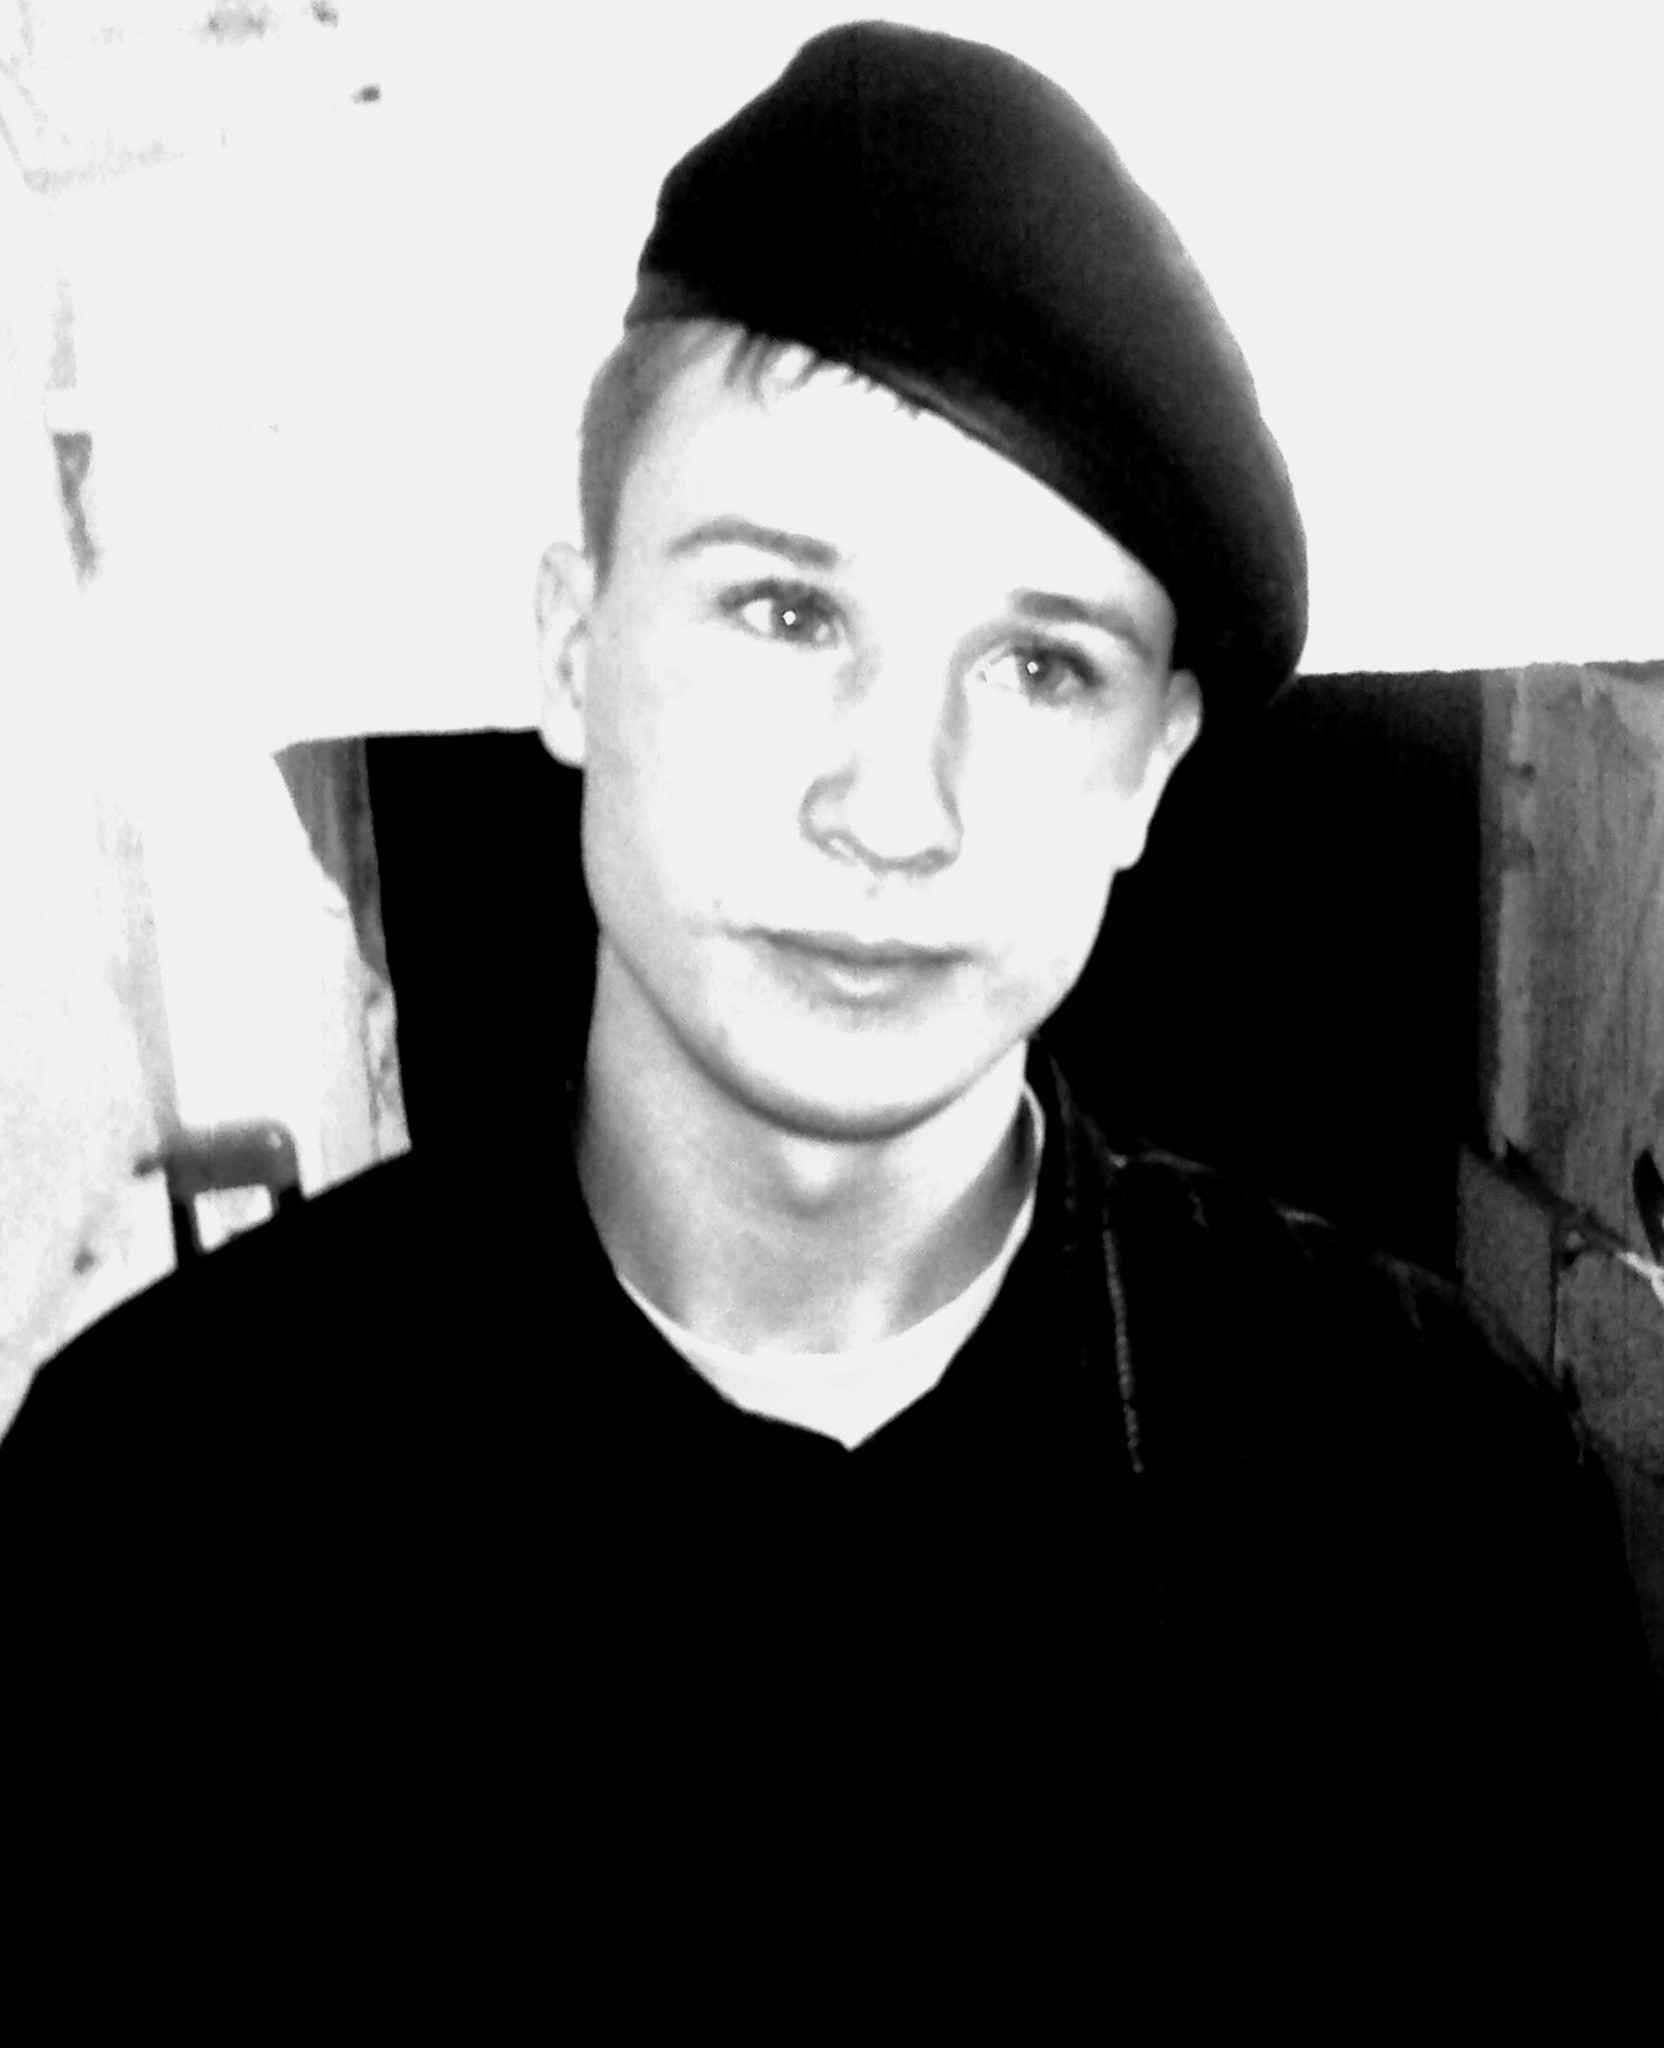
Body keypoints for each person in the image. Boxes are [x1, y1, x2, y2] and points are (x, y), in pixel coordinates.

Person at [3, 21, 1659, 1939]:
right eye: (787, 611)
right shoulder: (166, 1505)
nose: (894, 806)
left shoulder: (1430, 1492)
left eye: (1039, 668)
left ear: (1151, 770)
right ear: (571, 651)